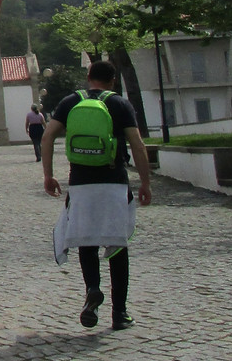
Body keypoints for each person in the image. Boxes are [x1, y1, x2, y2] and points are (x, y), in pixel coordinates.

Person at [41, 61, 152, 332]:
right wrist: (146, 182)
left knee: (86, 242)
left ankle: (92, 288)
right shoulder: (120, 104)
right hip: (113, 182)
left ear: (88, 77)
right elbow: (137, 144)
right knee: (117, 244)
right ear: (113, 81)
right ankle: (120, 313)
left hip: (81, 183)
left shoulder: (70, 101)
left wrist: (48, 175)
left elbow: (47, 137)